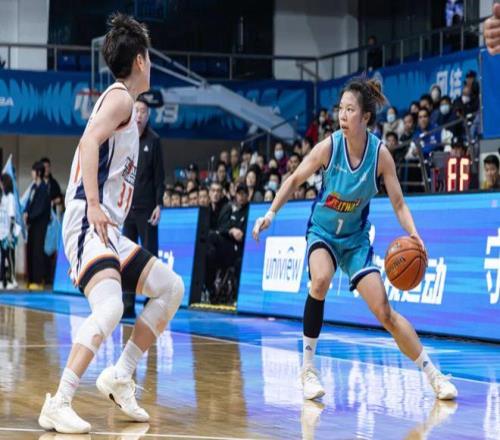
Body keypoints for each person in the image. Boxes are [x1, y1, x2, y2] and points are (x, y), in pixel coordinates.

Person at [252, 77, 457, 402]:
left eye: (350, 110)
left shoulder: (381, 155)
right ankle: (307, 369)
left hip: (355, 241)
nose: (343, 116)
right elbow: (294, 180)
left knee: (385, 312)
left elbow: (399, 203)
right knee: (320, 280)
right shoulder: (329, 147)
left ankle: (434, 376)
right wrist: (270, 214)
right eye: (341, 109)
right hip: (322, 232)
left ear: (365, 117)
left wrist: (414, 234)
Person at [38, 13, 184, 434]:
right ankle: (59, 401)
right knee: (111, 306)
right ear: (140, 60)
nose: (151, 63)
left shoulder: (125, 106)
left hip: (109, 229)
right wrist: (94, 204)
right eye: (149, 57)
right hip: (88, 218)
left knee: (170, 288)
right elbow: (87, 142)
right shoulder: (120, 99)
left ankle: (121, 375)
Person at [122, 94, 165, 318]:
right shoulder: (125, 138)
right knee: (127, 258)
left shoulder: (154, 140)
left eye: (143, 112)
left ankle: (150, 304)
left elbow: (160, 176)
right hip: (127, 209)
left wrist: (159, 204)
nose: (139, 115)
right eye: (136, 111)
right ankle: (127, 305)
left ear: (148, 116)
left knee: (149, 259)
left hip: (147, 210)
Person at [24, 161, 50, 290]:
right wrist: (26, 212)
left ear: (38, 172)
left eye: (33, 170)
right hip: (32, 225)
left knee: (37, 251)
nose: (31, 173)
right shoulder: (34, 187)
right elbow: (29, 203)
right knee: (30, 249)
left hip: (40, 225)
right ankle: (31, 279)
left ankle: (38, 280)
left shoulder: (44, 189)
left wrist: (29, 216)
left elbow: (40, 208)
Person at [0, 174, 17, 289]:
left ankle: (12, 280)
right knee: (2, 257)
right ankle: (2, 280)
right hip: (1, 232)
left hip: (7, 233)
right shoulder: (3, 197)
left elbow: (12, 217)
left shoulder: (10, 197)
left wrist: (10, 234)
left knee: (8, 257)